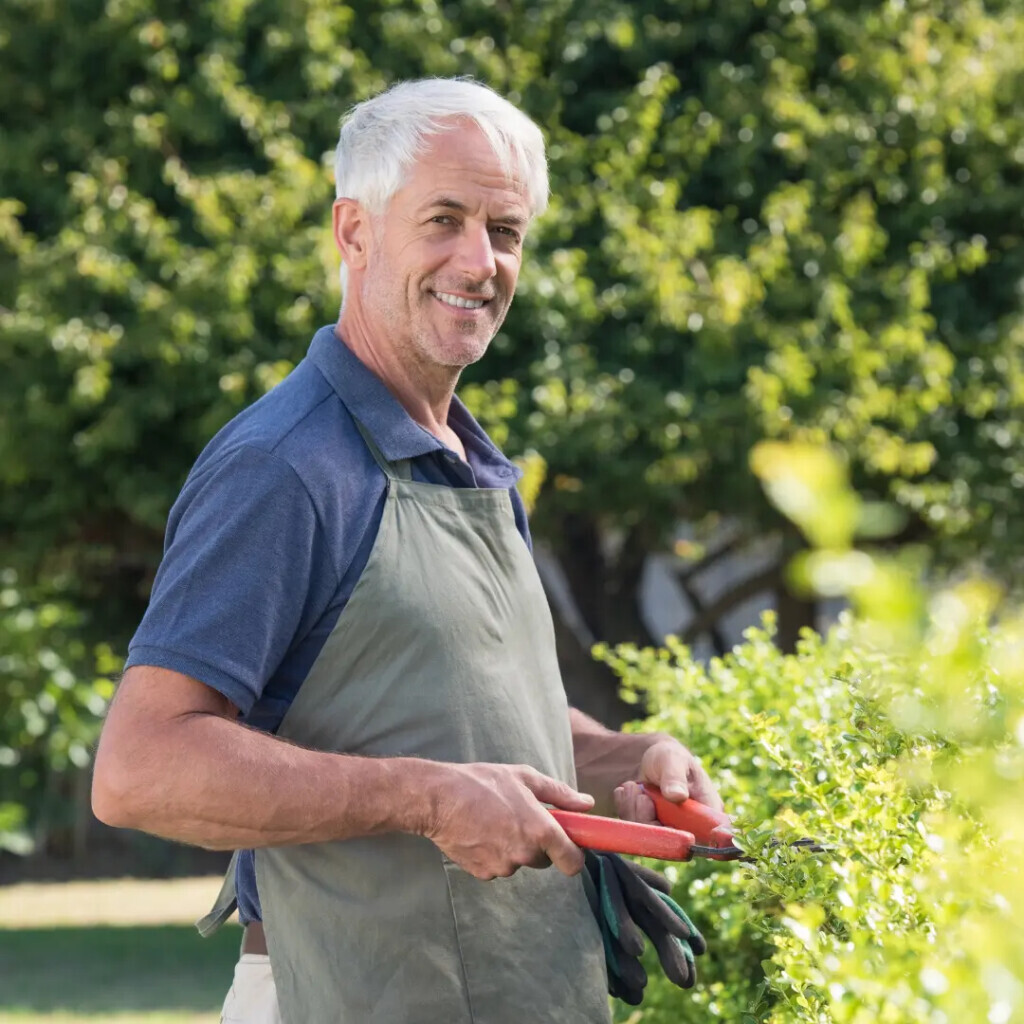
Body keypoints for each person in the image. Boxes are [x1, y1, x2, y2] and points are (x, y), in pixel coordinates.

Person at [92, 78, 723, 1024]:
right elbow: (140, 769)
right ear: (354, 232)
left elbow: (474, 716)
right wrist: (427, 801)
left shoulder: (467, 460)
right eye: (444, 220)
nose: (480, 262)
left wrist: (633, 757)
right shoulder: (285, 466)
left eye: (505, 232)